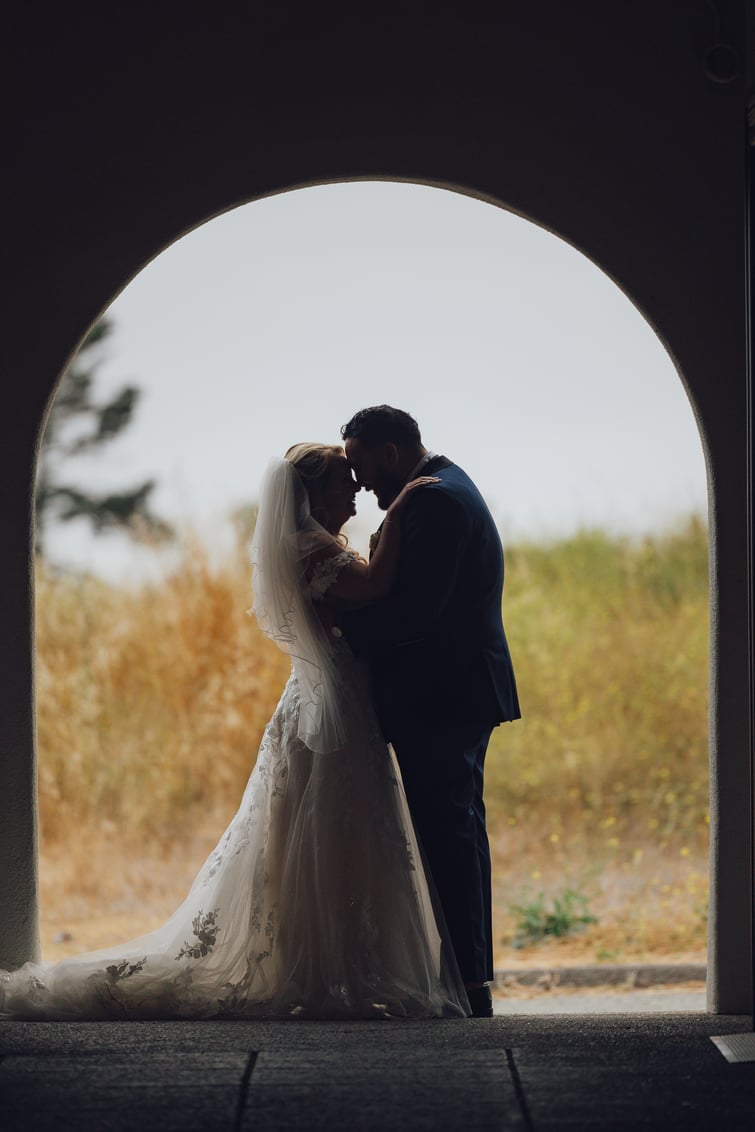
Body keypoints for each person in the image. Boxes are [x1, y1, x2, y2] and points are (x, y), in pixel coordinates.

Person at [0, 443, 470, 1020]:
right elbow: (373, 588)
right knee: (330, 828)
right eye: (343, 483)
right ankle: (329, 972)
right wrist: (397, 514)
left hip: (325, 698)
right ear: (313, 495)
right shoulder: (312, 548)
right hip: (332, 705)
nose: (354, 492)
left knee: (332, 831)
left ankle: (344, 966)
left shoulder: (305, 545)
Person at [338, 406, 520, 1018]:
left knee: (448, 834)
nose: (360, 482)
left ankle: (468, 984)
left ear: (390, 452)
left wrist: (339, 627)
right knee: (458, 830)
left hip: (443, 694)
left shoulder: (435, 502)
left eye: (362, 465)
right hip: (458, 690)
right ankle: (469, 978)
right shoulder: (440, 489)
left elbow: (416, 614)